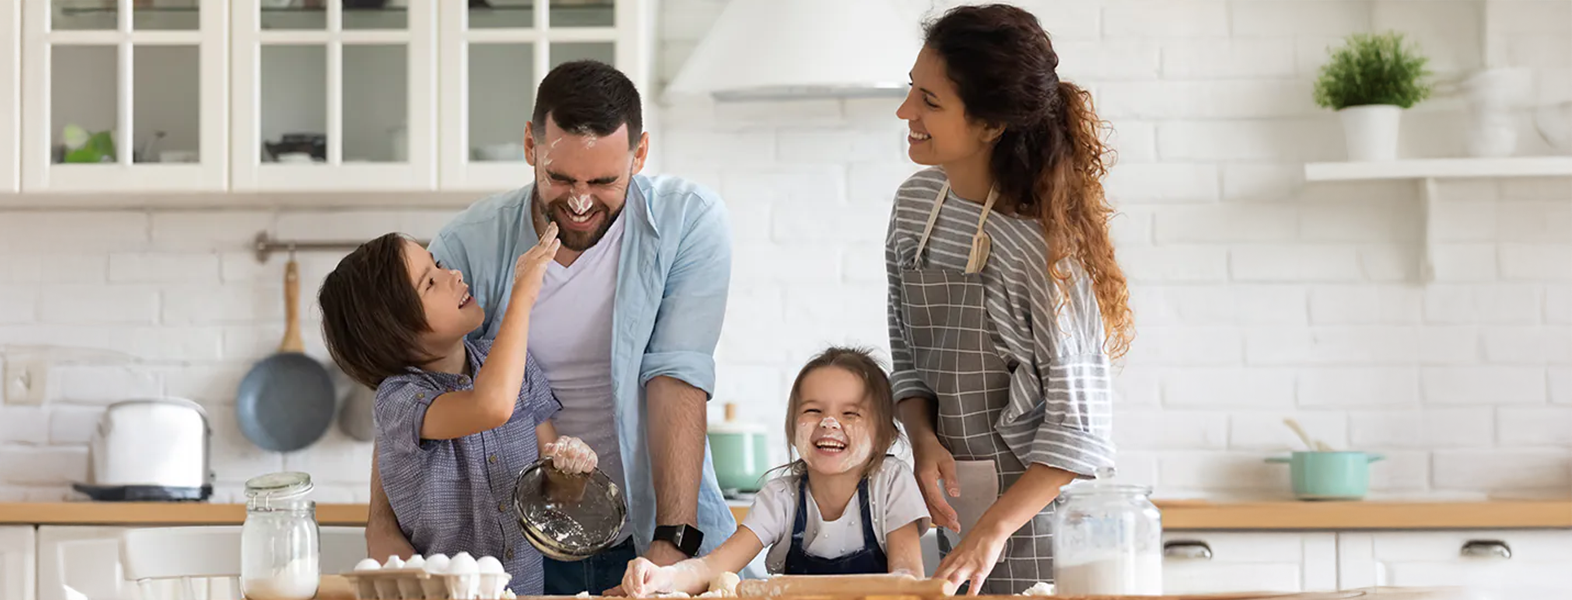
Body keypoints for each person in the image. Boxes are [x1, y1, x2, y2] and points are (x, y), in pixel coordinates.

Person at [365, 59, 738, 595]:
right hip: (516, 551)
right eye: (561, 178)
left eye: (605, 181)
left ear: (640, 154)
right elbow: (409, 382)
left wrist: (670, 542)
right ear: (530, 147)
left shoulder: (688, 223)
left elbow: (676, 378)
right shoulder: (468, 245)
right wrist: (382, 527)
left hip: (653, 536)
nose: (581, 202)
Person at [885, 4, 1135, 595]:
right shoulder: (914, 205)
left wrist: (991, 532)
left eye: (930, 101)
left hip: (1043, 531)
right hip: (955, 510)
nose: (906, 112)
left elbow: (1078, 430)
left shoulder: (1041, 250)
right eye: (911, 91)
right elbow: (908, 356)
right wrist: (922, 441)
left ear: (991, 125)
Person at [318, 229, 601, 596]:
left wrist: (572, 470)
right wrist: (523, 296)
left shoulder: (519, 369)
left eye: (437, 265)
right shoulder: (400, 402)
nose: (453, 275)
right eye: (430, 283)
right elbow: (490, 406)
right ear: (395, 331)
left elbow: (552, 497)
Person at [620, 348, 932, 596]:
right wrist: (663, 577)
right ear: (791, 425)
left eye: (850, 413)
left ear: (883, 436)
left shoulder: (891, 483)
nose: (829, 423)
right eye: (813, 410)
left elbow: (907, 579)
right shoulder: (782, 497)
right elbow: (715, 567)